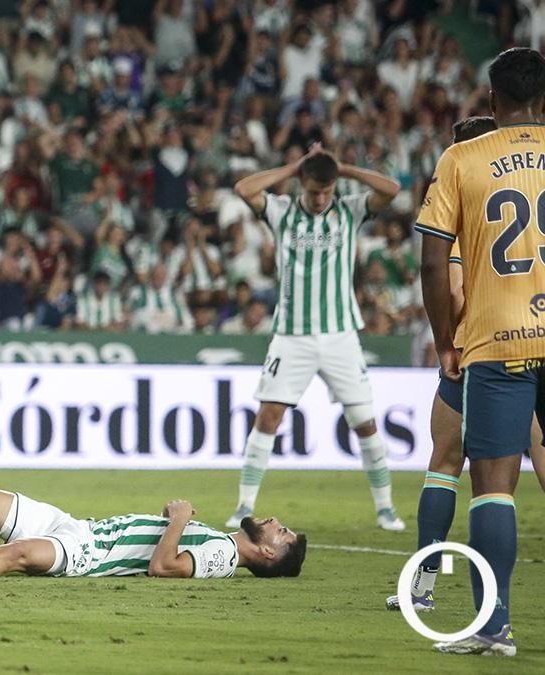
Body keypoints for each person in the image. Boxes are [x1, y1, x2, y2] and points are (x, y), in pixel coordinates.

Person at [387, 115, 545, 617]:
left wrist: (448, 339)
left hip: (485, 351)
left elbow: (452, 287)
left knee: (449, 465)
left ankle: (423, 589)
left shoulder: (465, 205)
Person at [415, 48, 545, 657]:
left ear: (492, 100)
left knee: (494, 487)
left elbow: (434, 258)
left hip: (498, 339)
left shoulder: (462, 157)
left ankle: (493, 628)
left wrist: (445, 340)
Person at [0, 415, 306, 580]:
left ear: (267, 553)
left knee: (17, 555)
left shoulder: (224, 558)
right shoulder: (221, 543)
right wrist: (173, 521)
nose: (274, 520)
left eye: (280, 533)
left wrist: (179, 518)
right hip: (81, 527)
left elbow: (162, 569)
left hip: (88, 553)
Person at [226, 143, 406, 532]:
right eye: (313, 191)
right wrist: (293, 165)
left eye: (326, 191)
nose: (321, 198)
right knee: (268, 417)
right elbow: (244, 189)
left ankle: (386, 507)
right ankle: (243, 506)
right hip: (291, 337)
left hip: (340, 335)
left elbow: (391, 189)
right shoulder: (281, 212)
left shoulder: (349, 210)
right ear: (301, 186)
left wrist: (345, 167)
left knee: (364, 421)